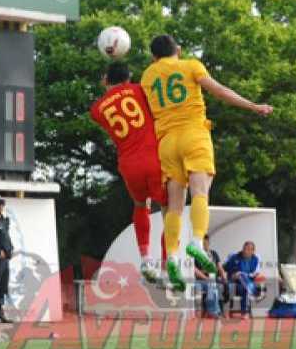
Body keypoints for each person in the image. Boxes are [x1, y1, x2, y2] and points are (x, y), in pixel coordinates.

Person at [140, 34, 272, 291]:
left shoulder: (147, 76)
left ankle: (174, 256)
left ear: (154, 57)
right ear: (177, 49)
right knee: (200, 192)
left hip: (166, 141)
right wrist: (253, 106)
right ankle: (198, 243)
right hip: (194, 133)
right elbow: (220, 91)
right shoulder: (190, 65)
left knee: (174, 204)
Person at [89, 61, 167, 277]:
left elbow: (109, 106)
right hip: (155, 158)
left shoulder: (97, 109)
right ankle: (166, 266)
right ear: (129, 77)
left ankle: (145, 259)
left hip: (129, 164)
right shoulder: (140, 90)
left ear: (105, 80)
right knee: (170, 210)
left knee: (141, 204)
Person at [225, 241, 263, 319]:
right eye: (245, 249)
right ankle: (227, 310)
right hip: (234, 282)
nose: (246, 251)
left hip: (247, 282)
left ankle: (244, 312)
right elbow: (226, 269)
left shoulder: (255, 259)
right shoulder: (234, 257)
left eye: (249, 249)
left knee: (246, 287)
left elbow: (255, 273)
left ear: (253, 251)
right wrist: (233, 276)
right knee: (229, 286)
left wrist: (244, 275)